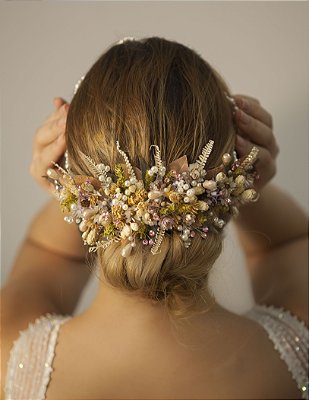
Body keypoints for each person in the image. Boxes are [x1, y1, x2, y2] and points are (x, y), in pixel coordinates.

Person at [1, 37, 308, 400]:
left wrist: (67, 186)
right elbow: (288, 244)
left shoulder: (14, 358)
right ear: (230, 178)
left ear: (77, 185)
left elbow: (48, 252)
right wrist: (251, 181)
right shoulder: (291, 354)